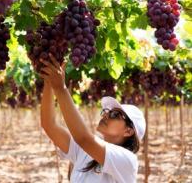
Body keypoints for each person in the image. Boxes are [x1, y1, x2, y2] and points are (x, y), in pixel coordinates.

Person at [39, 54, 146, 183]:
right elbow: (49, 125)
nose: (106, 115)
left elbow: (84, 138)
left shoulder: (127, 160)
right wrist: (49, 81)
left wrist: (60, 88)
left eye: (114, 115)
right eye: (107, 111)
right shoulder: (85, 152)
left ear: (128, 131)